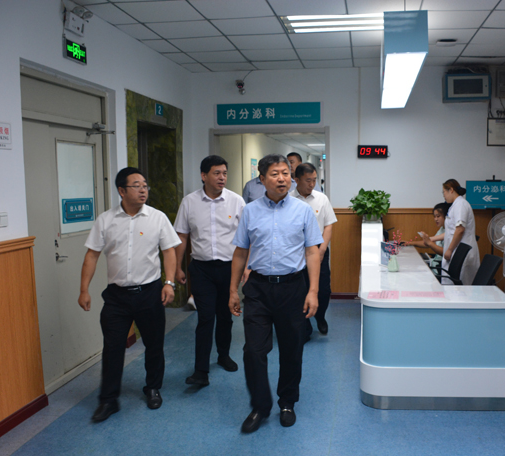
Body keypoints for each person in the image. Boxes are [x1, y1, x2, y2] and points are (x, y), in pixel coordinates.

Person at [229, 154, 324, 433]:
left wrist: (313, 291)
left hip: (293, 288)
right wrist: (233, 290)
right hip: (258, 288)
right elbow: (240, 252)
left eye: (285, 173)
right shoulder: (250, 211)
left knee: (292, 349)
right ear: (262, 179)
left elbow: (312, 252)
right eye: (274, 174)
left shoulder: (303, 210)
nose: (282, 178)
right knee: (253, 351)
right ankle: (260, 405)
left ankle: (287, 402)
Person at [78, 167, 180, 423]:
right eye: (137, 185)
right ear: (122, 191)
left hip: (150, 292)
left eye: (145, 185)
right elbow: (92, 255)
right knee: (113, 347)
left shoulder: (157, 218)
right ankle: (108, 400)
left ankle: (153, 388)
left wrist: (169, 283)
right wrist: (84, 289)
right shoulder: (106, 220)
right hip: (117, 297)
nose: (143, 190)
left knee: (154, 345)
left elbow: (169, 251)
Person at [174, 155, 245, 387]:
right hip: (201, 269)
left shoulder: (236, 201)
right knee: (205, 318)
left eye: (224, 173)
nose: (222, 177)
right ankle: (200, 371)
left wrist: (247, 267)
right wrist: (177, 267)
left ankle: (223, 355)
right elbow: (182, 236)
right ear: (204, 176)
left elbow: (247, 237)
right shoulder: (189, 202)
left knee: (225, 316)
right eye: (217, 173)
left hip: (229, 268)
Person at [291, 162, 336, 339]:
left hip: (319, 249)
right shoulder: (289, 200)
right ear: (296, 180)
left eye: (314, 180)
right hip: (296, 252)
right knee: (300, 290)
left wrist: (322, 249)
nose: (312, 184)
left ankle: (320, 316)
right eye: (308, 180)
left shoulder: (321, 198)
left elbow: (328, 225)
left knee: (323, 290)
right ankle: (305, 325)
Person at [441, 179, 480, 285]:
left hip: (461, 252)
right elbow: (451, 231)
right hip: (457, 251)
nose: (443, 195)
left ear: (451, 190)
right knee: (454, 286)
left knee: (462, 287)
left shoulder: (461, 205)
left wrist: (449, 249)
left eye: (444, 192)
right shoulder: (455, 205)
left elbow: (460, 229)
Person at [408, 202, 450, 273]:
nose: (435, 219)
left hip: (441, 266)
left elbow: (444, 252)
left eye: (438, 216)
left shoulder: (450, 231)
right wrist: (410, 243)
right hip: (436, 262)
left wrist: (429, 243)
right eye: (434, 216)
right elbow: (428, 242)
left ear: (446, 216)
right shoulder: (442, 229)